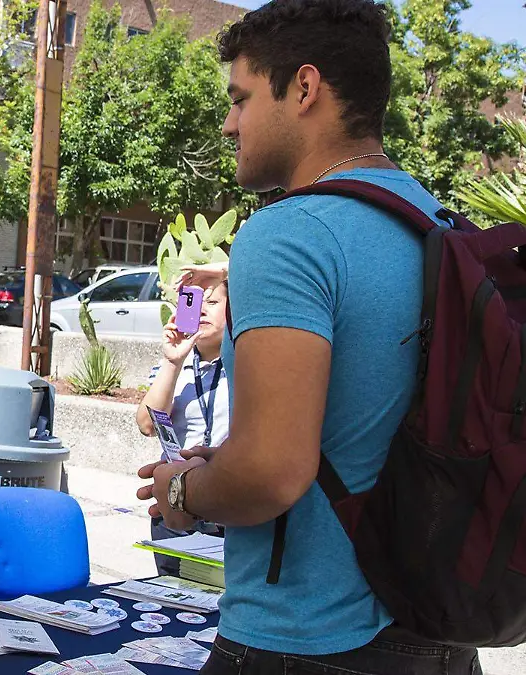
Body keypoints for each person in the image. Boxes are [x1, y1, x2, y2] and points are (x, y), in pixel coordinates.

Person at [137, 1, 483, 672]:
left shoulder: (288, 232)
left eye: (240, 98)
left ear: (303, 88)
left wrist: (183, 490)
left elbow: (273, 470)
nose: (229, 123)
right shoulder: (440, 225)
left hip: (304, 640)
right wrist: (229, 460)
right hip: (436, 637)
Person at [134, 280, 229, 576]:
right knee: (173, 596)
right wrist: (173, 362)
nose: (201, 310)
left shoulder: (248, 366)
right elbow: (148, 423)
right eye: (195, 302)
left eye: (212, 303)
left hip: (227, 507)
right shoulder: (176, 364)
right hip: (174, 503)